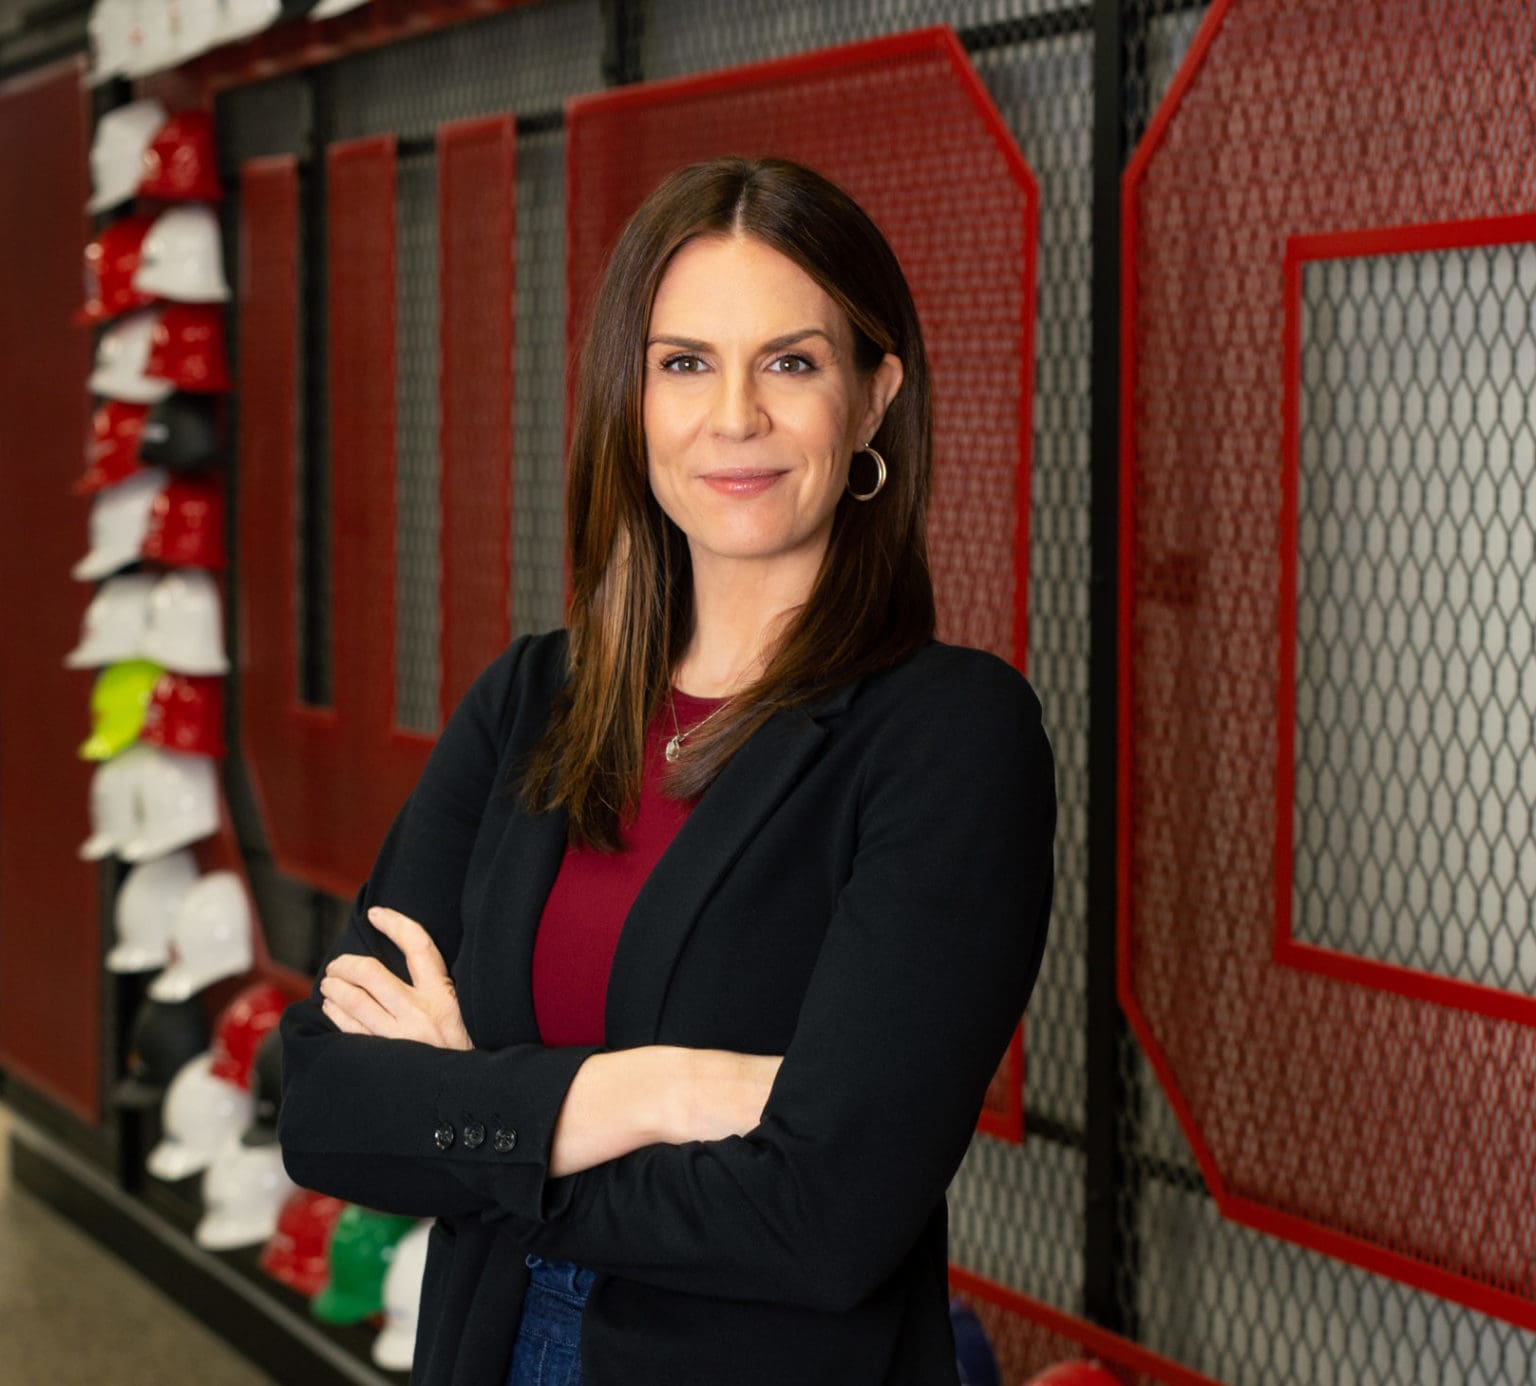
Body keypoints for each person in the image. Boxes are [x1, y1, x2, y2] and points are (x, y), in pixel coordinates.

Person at [278, 155, 1055, 1386]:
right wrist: (657, 1091)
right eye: (684, 363)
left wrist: (476, 1119)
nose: (732, 415)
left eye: (790, 362)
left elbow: (823, 1221)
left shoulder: (950, 738)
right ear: (629, 402)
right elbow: (320, 1103)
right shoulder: (530, 701)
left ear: (871, 400)